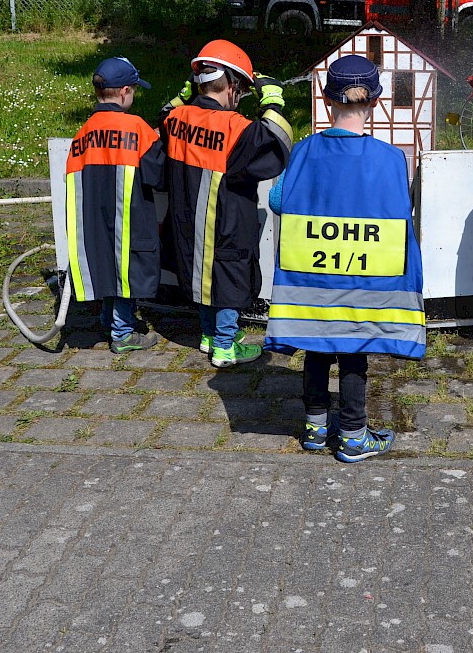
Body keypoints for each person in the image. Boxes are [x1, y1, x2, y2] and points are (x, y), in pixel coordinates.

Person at [264, 54, 424, 463]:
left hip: (312, 282)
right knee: (355, 351)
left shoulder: (302, 152)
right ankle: (354, 435)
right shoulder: (391, 158)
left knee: (316, 349)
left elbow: (278, 201)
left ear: (325, 96)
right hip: (364, 285)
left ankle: (316, 428)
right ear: (374, 102)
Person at [159, 40, 293, 367]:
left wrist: (184, 93)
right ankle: (225, 347)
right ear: (231, 84)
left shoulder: (177, 118)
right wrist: (273, 99)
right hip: (227, 223)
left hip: (187, 222)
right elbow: (277, 142)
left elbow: (162, 114)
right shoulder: (235, 127)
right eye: (241, 89)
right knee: (228, 279)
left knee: (201, 277)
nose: (240, 96)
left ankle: (208, 336)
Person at [65, 57, 166, 353]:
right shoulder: (136, 127)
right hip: (130, 219)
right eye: (134, 90)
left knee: (107, 266)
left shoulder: (83, 132)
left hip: (94, 222)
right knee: (127, 271)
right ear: (124, 92)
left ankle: (108, 320)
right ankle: (122, 333)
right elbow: (156, 174)